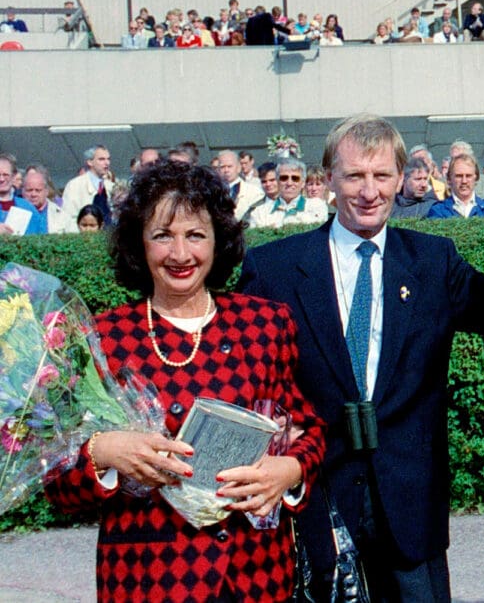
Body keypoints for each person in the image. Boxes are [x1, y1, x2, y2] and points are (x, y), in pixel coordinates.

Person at [237, 114, 484, 601]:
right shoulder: (272, 270)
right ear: (329, 181)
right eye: (354, 176)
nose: (368, 191)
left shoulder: (433, 262)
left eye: (382, 176)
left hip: (410, 514)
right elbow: (240, 383)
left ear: (401, 179)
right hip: (315, 509)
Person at [44, 160, 325, 601]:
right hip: (150, 578)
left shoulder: (265, 324)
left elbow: (307, 430)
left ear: (218, 241)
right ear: (140, 243)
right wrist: (104, 451)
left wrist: (289, 470)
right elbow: (57, 483)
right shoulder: (103, 338)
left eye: (195, 235)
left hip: (255, 575)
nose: (180, 254)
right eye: (162, 235)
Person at [247, 157, 329, 228]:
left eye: (295, 178)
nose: (289, 183)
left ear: (303, 183)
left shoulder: (316, 206)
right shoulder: (260, 212)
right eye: (284, 178)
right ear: (278, 181)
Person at [426, 154, 484, 219]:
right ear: (449, 179)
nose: (464, 181)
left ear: (476, 179)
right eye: (459, 176)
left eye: (468, 176)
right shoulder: (438, 210)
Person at [62, 145, 114, 231]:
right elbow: (67, 219)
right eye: (101, 159)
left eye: (108, 159)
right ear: (90, 162)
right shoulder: (74, 186)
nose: (107, 163)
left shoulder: (111, 187)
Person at [215, 149, 265, 223]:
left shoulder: (254, 192)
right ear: (218, 170)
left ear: (238, 168)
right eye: (222, 167)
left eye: (230, 166)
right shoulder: (212, 193)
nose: (226, 170)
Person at [0, 153, 40, 235]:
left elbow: (43, 238)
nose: (1, 179)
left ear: (13, 176)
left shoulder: (27, 207)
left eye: (5, 175)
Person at [21, 164, 67, 233]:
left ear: (46, 191)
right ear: (22, 191)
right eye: (29, 190)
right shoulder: (14, 214)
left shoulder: (61, 215)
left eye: (38, 190)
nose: (33, 194)